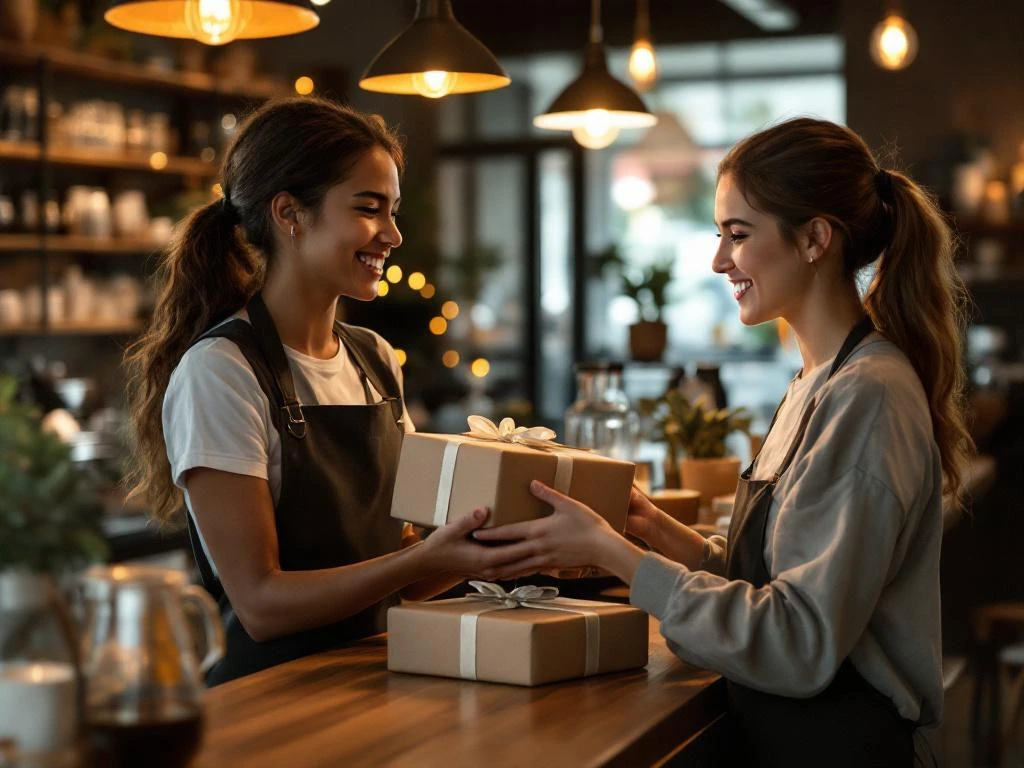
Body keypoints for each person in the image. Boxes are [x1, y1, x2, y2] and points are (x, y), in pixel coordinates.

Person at [475, 118, 973, 765]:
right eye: (719, 235)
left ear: (815, 238)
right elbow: (771, 583)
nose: (718, 261)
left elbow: (797, 642)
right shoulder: (816, 381)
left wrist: (612, 554)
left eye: (738, 235)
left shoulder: (867, 396)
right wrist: (649, 527)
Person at [124, 98, 520, 685]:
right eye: (368, 208)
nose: (392, 234)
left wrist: (500, 542)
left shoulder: (375, 360)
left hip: (376, 678)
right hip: (271, 697)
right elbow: (261, 605)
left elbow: (406, 568)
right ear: (290, 213)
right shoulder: (221, 371)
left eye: (393, 211)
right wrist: (423, 558)